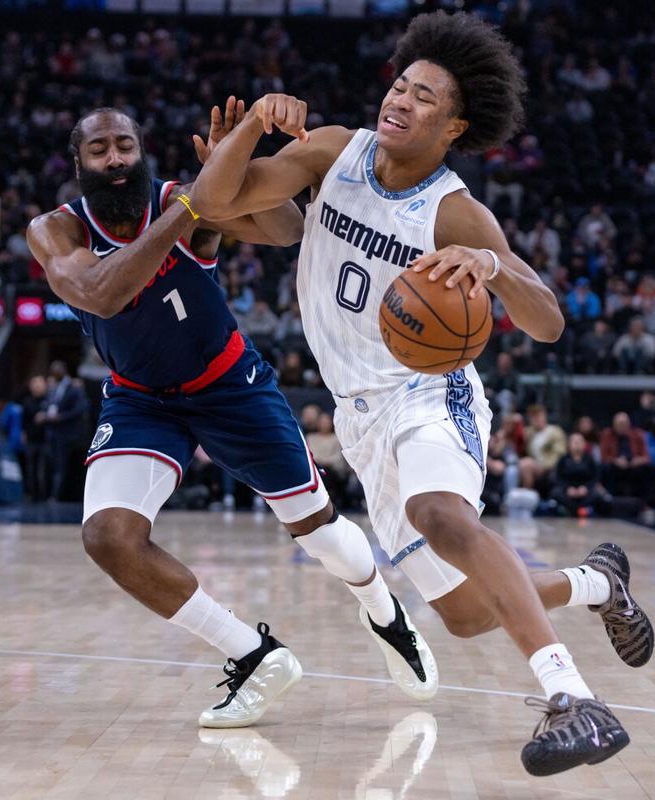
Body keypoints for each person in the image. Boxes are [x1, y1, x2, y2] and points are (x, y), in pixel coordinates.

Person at [191, 12, 650, 775]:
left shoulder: (454, 211)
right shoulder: (334, 150)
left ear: (456, 125)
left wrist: (493, 266)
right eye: (400, 85)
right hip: (360, 415)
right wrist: (253, 128)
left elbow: (549, 322)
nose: (400, 101)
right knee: (468, 615)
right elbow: (217, 203)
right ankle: (598, 582)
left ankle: (573, 700)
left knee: (440, 515)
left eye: (425, 97)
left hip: (430, 393)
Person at [26, 103, 435, 731]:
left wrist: (230, 170)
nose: (115, 160)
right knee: (108, 538)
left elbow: (288, 228)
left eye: (125, 146)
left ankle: (384, 612)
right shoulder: (58, 230)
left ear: (143, 151)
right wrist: (191, 209)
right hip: (140, 398)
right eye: (100, 150)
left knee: (322, 535)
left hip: (229, 386)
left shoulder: (188, 200)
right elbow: (103, 292)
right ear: (78, 164)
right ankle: (255, 654)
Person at [40, 360, 88, 501]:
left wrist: (61, 417)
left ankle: (59, 496)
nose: (54, 373)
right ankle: (52, 495)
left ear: (63, 371)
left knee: (65, 467)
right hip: (53, 433)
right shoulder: (53, 388)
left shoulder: (74, 387)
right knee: (53, 465)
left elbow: (81, 409)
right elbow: (49, 405)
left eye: (57, 370)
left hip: (69, 434)